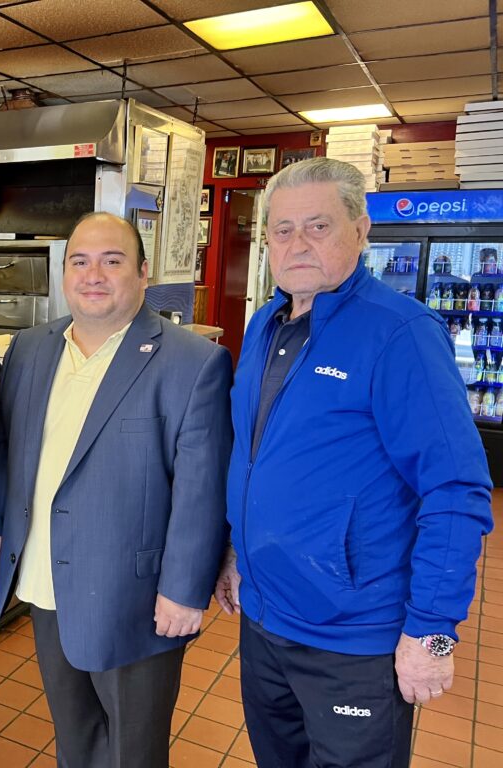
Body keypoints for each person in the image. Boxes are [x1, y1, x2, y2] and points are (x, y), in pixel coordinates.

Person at [214, 157, 493, 768]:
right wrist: (236, 551)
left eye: (318, 226)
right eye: (283, 230)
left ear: (361, 231)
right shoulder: (265, 323)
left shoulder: (400, 333)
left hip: (353, 638)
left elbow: (456, 490)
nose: (297, 244)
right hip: (264, 620)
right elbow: (254, 456)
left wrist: (433, 632)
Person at [0, 212, 233, 768]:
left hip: (134, 598)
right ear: (64, 274)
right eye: (80, 261)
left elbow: (201, 490)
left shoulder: (192, 362)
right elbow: (4, 444)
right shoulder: (30, 348)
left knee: (133, 753)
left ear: (142, 274)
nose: (94, 274)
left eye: (112, 261)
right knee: (75, 739)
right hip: (46, 582)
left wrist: (185, 590)